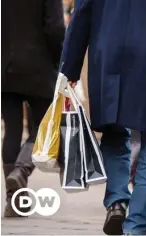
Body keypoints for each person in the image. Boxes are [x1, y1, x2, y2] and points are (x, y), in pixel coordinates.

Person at [59, 0, 146, 235]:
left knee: (114, 131)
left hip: (107, 55)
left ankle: (117, 201)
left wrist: (70, 67)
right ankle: (137, 224)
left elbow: (82, 12)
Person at [1, 0, 65, 217]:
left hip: (5, 67)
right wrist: (59, 60)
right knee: (42, 129)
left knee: (12, 129)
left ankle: (14, 201)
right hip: (39, 67)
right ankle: (21, 170)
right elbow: (55, 28)